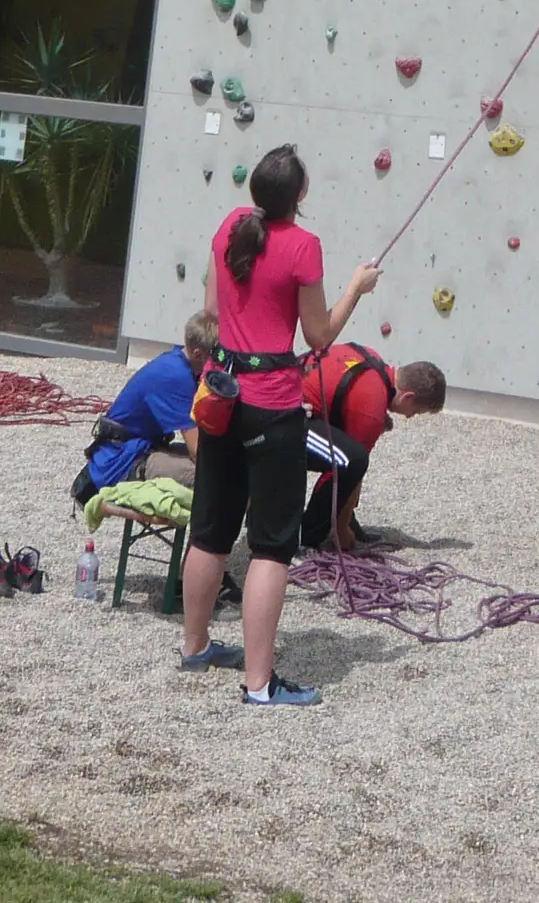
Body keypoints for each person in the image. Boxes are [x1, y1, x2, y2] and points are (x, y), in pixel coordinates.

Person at [177, 144, 381, 705]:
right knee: (271, 546)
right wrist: (354, 291)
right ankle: (260, 685)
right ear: (300, 197)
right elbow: (318, 336)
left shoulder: (229, 228)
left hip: (220, 393)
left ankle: (195, 647)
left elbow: (212, 313)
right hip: (271, 403)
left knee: (211, 530)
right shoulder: (302, 246)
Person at [298, 345, 446, 552]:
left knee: (351, 457)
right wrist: (341, 531)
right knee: (351, 462)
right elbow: (351, 471)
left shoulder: (372, 361)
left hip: (284, 398)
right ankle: (307, 537)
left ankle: (345, 518)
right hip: (283, 421)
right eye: (416, 411)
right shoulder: (372, 408)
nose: (411, 417)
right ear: (408, 397)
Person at [72, 311, 216, 503]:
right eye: (217, 354)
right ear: (198, 353)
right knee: (218, 478)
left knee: (225, 467)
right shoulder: (176, 376)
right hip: (123, 461)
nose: (221, 360)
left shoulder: (177, 359)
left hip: (136, 448)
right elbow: (196, 450)